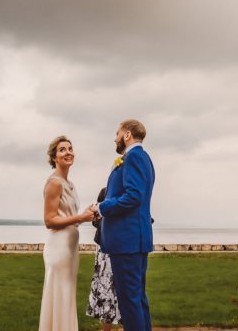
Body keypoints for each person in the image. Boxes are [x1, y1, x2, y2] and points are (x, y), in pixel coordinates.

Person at [95, 120, 156, 331]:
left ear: (127, 134)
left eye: (117, 133)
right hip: (134, 240)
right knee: (137, 298)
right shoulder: (142, 158)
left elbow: (133, 196)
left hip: (127, 241)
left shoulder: (134, 157)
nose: (115, 138)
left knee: (129, 302)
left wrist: (102, 207)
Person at [39, 136, 96, 331]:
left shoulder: (70, 183)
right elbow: (49, 220)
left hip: (70, 246)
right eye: (62, 149)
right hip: (59, 247)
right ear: (54, 157)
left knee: (67, 294)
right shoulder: (55, 183)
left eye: (70, 148)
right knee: (60, 294)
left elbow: (69, 214)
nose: (68, 152)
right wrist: (81, 217)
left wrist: (87, 213)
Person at [87, 188, 121, 330]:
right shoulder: (105, 191)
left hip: (123, 249)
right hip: (104, 250)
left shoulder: (128, 192)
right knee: (106, 294)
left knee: (124, 293)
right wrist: (105, 222)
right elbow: (95, 220)